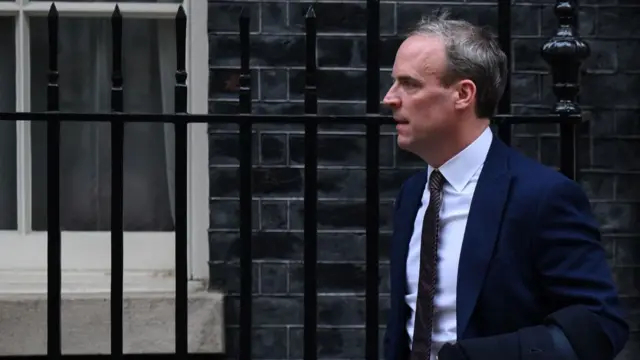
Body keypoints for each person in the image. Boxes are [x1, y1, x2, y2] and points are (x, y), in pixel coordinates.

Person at [382, 11, 628, 360]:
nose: (389, 98)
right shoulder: (413, 194)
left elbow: (600, 325)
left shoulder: (542, 196)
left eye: (409, 84)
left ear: (463, 94)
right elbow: (405, 327)